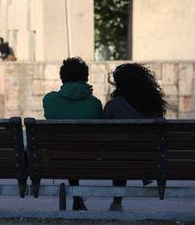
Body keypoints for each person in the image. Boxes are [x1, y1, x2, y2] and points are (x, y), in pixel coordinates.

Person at [103, 63, 167, 211]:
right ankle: (143, 173)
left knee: (118, 152)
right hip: (148, 157)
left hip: (120, 158)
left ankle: (117, 202)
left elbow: (104, 133)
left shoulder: (113, 105)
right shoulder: (154, 105)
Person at [43, 57, 102, 211]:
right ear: (86, 77)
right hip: (90, 159)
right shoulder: (95, 104)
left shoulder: (49, 100)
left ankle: (77, 197)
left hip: (56, 157)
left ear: (62, 77)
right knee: (76, 148)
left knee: (67, 147)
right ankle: (77, 198)